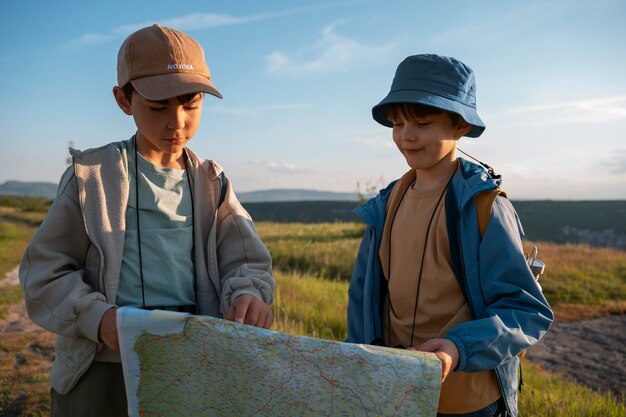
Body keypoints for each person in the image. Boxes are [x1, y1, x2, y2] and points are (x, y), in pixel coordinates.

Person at [19, 24, 274, 417]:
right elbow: (45, 271)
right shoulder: (92, 178)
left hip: (190, 363)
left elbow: (244, 261)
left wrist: (248, 294)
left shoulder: (213, 183)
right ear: (124, 100)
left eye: (191, 105)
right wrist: (99, 319)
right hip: (101, 369)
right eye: (158, 106)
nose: (177, 122)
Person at [345, 54, 553, 417]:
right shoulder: (384, 205)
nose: (406, 136)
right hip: (394, 388)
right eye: (397, 124)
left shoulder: (485, 208)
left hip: (466, 399)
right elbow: (363, 298)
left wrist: (457, 348)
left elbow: (525, 310)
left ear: (459, 126)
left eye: (422, 123)